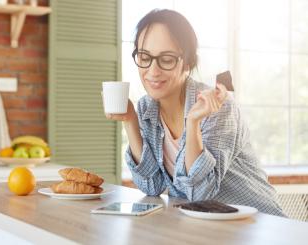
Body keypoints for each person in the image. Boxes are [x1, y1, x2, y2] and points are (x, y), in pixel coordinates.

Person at [105, 9, 284, 216]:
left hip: (259, 225)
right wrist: (130, 120)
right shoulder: (147, 108)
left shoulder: (218, 107)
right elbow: (151, 186)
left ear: (187, 63)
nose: (153, 70)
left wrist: (192, 123)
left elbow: (200, 193)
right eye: (145, 57)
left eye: (167, 59)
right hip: (203, 228)